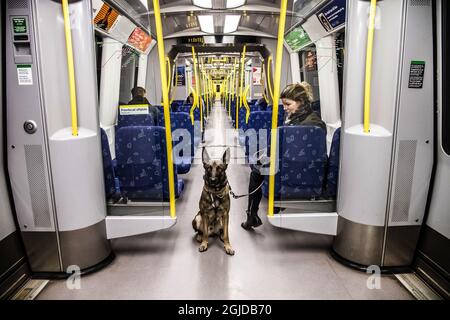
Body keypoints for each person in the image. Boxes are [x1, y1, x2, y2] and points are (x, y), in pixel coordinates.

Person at [241, 82, 326, 230]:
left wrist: (264, 157)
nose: (285, 108)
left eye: (288, 104)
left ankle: (251, 216)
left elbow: (280, 152)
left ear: (300, 102)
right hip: (311, 175)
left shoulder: (295, 127)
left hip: (289, 173)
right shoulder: (317, 122)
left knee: (256, 172)